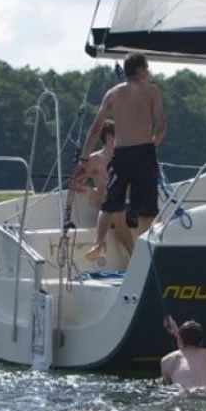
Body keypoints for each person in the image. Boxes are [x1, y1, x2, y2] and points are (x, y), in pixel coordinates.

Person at [80, 52, 167, 262]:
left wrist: (83, 158)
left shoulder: (112, 94)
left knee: (110, 204)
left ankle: (98, 243)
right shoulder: (151, 91)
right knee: (147, 210)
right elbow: (162, 125)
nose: (148, 72)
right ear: (139, 70)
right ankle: (143, 254)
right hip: (144, 152)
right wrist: (153, 142)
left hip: (122, 153)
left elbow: (95, 129)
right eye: (146, 68)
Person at [161, 315, 206, 389]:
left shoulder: (166, 360)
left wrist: (175, 331)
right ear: (202, 342)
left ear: (179, 339)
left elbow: (168, 385)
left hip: (184, 396)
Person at [74, 119, 116, 208]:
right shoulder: (94, 160)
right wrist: (90, 190)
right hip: (107, 206)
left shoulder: (124, 158)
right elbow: (73, 182)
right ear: (109, 137)